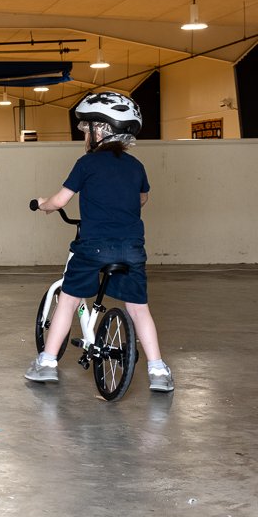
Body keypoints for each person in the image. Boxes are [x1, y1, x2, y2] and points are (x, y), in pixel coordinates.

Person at [25, 91, 173, 392]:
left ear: (101, 130)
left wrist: (43, 205)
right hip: (132, 249)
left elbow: (60, 200)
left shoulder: (87, 163)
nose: (85, 135)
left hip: (94, 246)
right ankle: (158, 370)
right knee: (139, 308)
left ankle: (47, 363)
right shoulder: (136, 166)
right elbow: (142, 198)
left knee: (68, 300)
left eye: (87, 129)